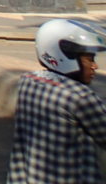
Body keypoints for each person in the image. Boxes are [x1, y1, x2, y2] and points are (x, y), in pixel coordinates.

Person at [8, 18, 106, 183]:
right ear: (65, 56)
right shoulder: (80, 97)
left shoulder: (28, 81)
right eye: (89, 59)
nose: (94, 66)